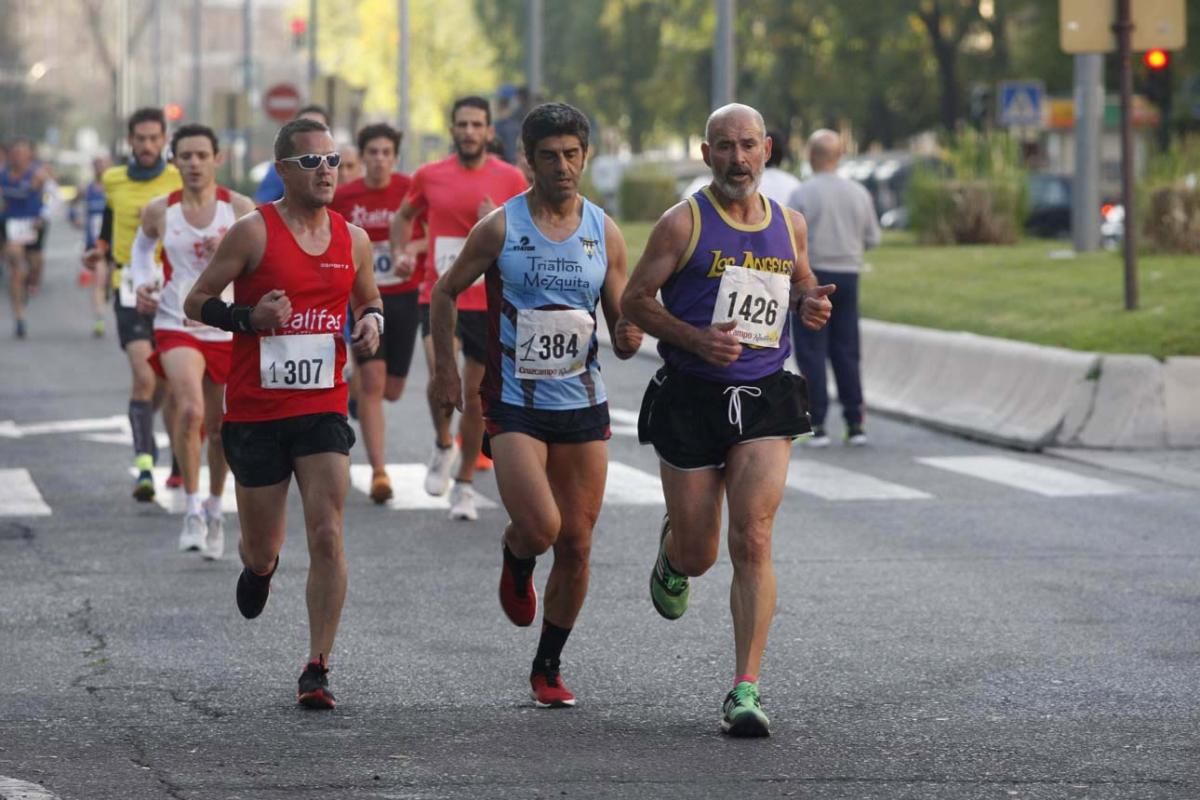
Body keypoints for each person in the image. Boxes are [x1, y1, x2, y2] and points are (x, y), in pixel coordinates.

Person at [621, 103, 834, 737]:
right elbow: (634, 300)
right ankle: (672, 553)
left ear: (766, 149)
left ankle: (745, 688)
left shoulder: (790, 223)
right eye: (724, 147)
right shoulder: (681, 223)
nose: (737, 158)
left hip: (766, 394)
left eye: (747, 145)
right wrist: (693, 338)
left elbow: (801, 284)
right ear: (706, 153)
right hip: (692, 394)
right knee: (700, 553)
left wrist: (810, 303)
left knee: (755, 537)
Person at [432, 102, 643, 708]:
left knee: (577, 544)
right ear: (527, 158)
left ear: (586, 156)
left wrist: (629, 333)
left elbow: (620, 321)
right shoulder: (501, 226)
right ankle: (517, 551)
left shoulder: (604, 231)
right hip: (514, 403)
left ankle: (548, 664)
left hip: (581, 402)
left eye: (572, 154)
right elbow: (445, 294)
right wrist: (446, 369)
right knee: (543, 528)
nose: (562, 167)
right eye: (548, 156)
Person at [184, 117, 381, 709]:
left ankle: (317, 665)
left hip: (321, 407)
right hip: (256, 412)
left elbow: (368, 299)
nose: (326, 171)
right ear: (283, 172)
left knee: (327, 532)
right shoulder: (252, 233)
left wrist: (372, 322)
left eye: (332, 161)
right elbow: (196, 302)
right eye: (311, 163)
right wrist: (248, 320)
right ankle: (260, 567)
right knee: (261, 546)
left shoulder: (354, 240)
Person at [389, 96, 527, 521]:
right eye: (462, 124)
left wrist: (500, 218)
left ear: (488, 132)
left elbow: (528, 229)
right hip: (440, 293)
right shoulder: (429, 175)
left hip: (487, 299)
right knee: (438, 375)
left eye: (477, 125)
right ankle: (442, 443)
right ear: (452, 130)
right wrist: (399, 251)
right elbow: (403, 216)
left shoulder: (511, 178)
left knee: (473, 394)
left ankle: (465, 482)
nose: (469, 131)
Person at [129, 125, 255, 560]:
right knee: (189, 409)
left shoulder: (239, 209)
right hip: (176, 320)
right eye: (186, 156)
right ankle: (192, 513)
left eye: (202, 155)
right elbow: (141, 252)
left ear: (217, 159)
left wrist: (235, 260)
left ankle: (217, 509)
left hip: (224, 325)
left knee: (221, 430)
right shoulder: (160, 210)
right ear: (175, 161)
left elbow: (262, 261)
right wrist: (143, 283)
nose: (195, 163)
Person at [84, 108, 182, 501]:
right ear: (130, 141)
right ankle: (144, 462)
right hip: (130, 284)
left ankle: (180, 459)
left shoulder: (179, 178)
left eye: (153, 138)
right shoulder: (113, 179)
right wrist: (100, 250)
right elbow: (110, 223)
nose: (146, 145)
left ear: (164, 140)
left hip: (173, 286)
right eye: (139, 139)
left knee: (170, 381)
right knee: (145, 376)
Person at [331, 123, 425, 504]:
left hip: (404, 297)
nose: (380, 159)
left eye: (387, 152)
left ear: (396, 157)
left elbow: (436, 232)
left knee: (392, 389)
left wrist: (411, 251)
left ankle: (358, 391)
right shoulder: (345, 196)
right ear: (362, 155)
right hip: (365, 300)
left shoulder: (411, 189)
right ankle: (379, 473)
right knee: (372, 384)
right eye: (373, 152)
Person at [788, 129, 880, 447]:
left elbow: (789, 241)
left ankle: (817, 424)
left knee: (812, 351)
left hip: (814, 277)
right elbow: (873, 239)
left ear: (812, 156)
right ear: (839, 156)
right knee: (847, 350)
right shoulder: (859, 193)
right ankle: (855, 423)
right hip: (849, 274)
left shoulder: (802, 194)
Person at [1, 139, 50, 338]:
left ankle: (31, 283)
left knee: (35, 266)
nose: (18, 157)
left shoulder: (39, 174)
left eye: (22, 153)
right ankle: (19, 317)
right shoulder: (3, 175)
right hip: (11, 225)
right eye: (15, 153)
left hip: (33, 225)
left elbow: (53, 197)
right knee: (16, 268)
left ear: (30, 155)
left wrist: (43, 215)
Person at [253, 105, 329, 204]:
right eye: (305, 128)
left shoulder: (343, 165)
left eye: (318, 127)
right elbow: (259, 206)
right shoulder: (283, 169)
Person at [70, 154, 111, 337]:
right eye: (97, 165)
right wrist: (74, 218)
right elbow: (72, 204)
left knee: (109, 281)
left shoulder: (116, 188)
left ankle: (106, 296)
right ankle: (100, 318)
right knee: (99, 280)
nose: (100, 168)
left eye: (103, 164)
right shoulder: (87, 189)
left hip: (115, 243)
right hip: (94, 244)